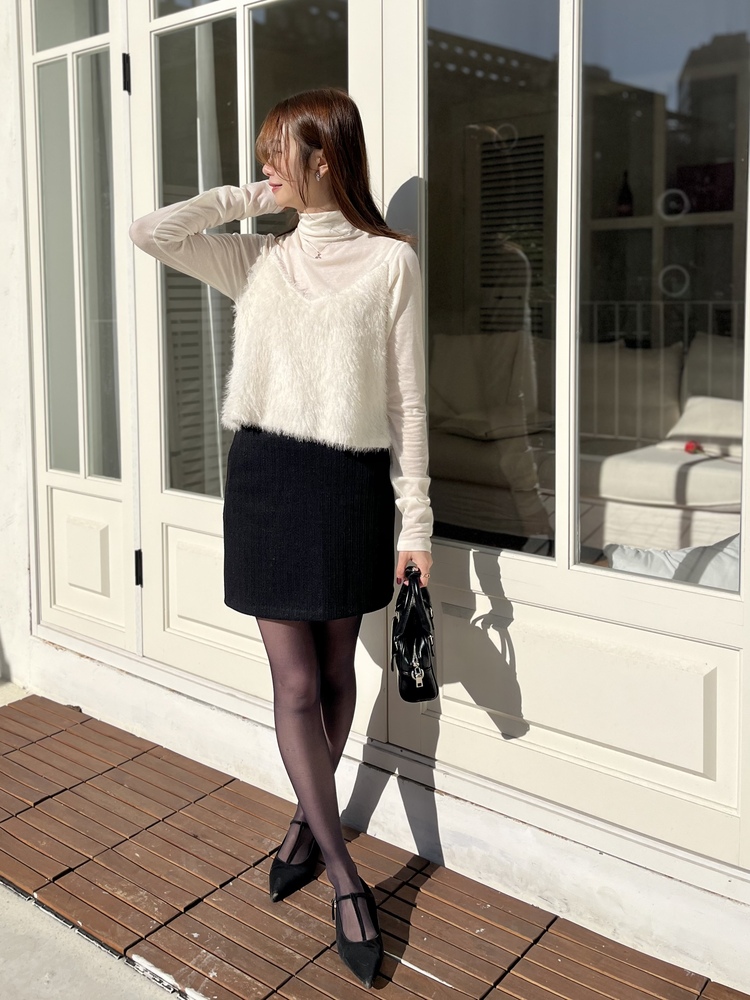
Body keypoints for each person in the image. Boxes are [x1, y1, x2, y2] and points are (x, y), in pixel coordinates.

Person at [129, 87, 433, 987]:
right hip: (267, 481)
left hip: (348, 486)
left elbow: (409, 406)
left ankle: (306, 819)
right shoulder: (258, 259)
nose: (266, 166)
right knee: (295, 681)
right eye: (262, 156)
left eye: (278, 153)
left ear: (325, 158)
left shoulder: (391, 263)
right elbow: (151, 232)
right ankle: (344, 874)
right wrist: (249, 197)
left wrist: (416, 522)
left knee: (338, 673)